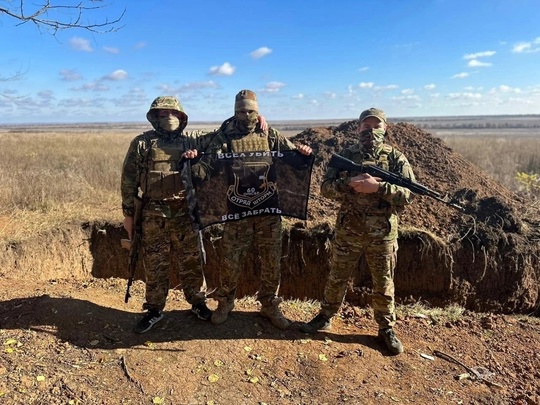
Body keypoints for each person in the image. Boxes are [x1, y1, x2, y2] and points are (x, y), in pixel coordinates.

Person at [189, 89, 312, 330]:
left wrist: (304, 155)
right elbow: (205, 168)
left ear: (258, 111)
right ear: (234, 112)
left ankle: (269, 305)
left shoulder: (270, 134)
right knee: (230, 261)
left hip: (268, 213)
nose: (245, 115)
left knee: (271, 261)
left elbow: (291, 158)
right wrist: (191, 161)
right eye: (240, 111)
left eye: (250, 111)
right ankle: (225, 303)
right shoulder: (224, 136)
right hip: (237, 212)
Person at [300, 108, 415, 355]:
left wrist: (379, 188)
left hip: (382, 234)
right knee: (337, 276)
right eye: (366, 126)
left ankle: (386, 328)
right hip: (348, 230)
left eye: (376, 126)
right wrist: (348, 184)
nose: (370, 131)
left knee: (383, 282)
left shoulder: (396, 158)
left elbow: (408, 196)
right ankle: (325, 316)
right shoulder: (346, 156)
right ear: (358, 129)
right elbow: (325, 189)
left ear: (384, 129)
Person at [121, 96, 213, 334]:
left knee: (192, 260)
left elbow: (224, 138)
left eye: (173, 113)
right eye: (162, 114)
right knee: (154, 263)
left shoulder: (192, 140)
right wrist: (128, 214)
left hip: (186, 212)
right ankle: (154, 309)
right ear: (154, 118)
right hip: (153, 213)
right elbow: (129, 180)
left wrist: (255, 118)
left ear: (182, 117)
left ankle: (198, 302)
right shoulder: (142, 143)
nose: (168, 118)